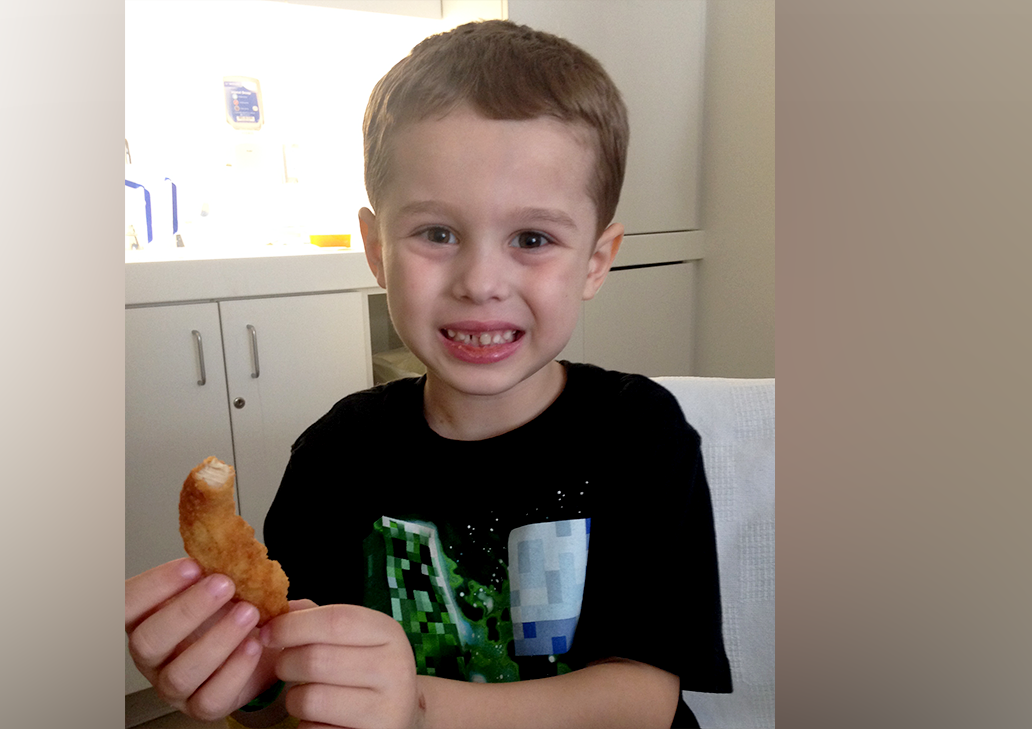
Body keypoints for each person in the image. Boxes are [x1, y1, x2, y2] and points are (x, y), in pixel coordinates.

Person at [126, 19, 731, 729]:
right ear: (377, 249)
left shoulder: (639, 432)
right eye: (438, 233)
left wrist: (413, 703)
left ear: (596, 260)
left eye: (532, 238)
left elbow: (640, 701)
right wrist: (244, 680)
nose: (481, 281)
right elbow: (284, 703)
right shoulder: (337, 454)